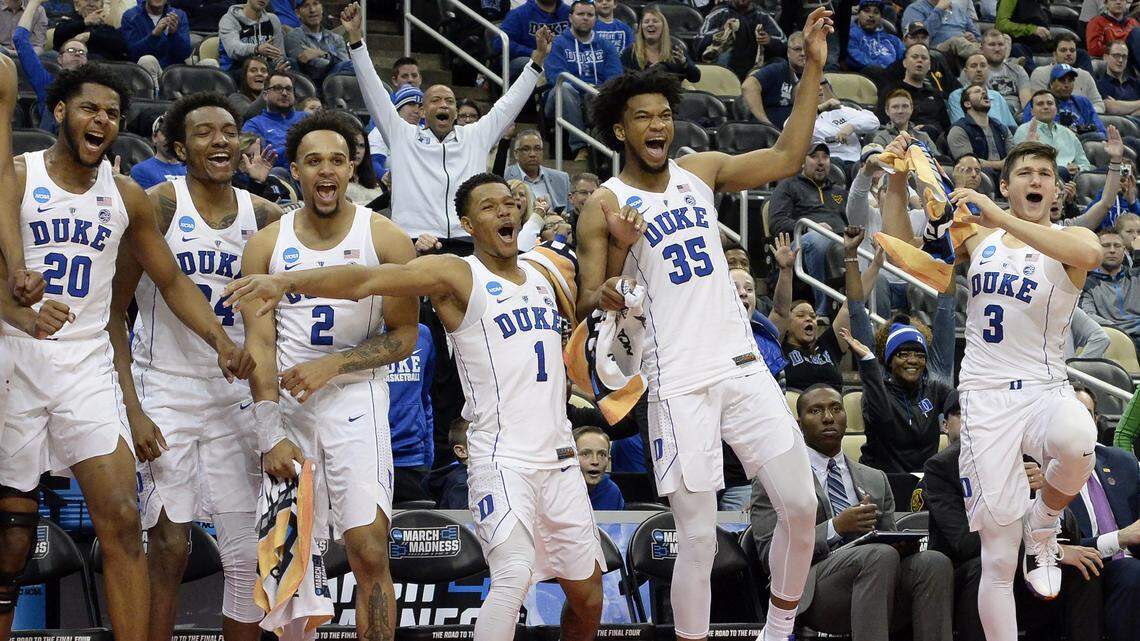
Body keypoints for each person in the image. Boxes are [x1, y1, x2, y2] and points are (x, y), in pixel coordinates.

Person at [225, 169, 608, 641]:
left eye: (508, 202)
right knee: (513, 573)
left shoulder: (548, 268)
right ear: (468, 226)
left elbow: (596, 287)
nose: (503, 210)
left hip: (561, 457)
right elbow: (369, 279)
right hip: (503, 456)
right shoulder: (455, 272)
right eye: (488, 207)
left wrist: (624, 244)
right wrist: (288, 283)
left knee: (589, 594)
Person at [576, 9, 836, 640]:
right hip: (678, 380)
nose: (658, 124)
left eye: (664, 114)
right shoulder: (605, 204)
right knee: (695, 538)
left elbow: (787, 153)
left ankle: (777, 627)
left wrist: (815, 69)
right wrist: (616, 255)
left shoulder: (701, 172)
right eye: (643, 116)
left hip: (742, 367)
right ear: (620, 128)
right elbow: (590, 298)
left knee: (803, 508)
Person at [0, 64, 254, 641]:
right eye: (92, 109)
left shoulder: (127, 196)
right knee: (10, 540)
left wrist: (220, 340)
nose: (104, 121)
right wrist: (16, 306)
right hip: (15, 359)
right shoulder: (17, 175)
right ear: (61, 112)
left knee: (120, 518)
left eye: (113, 114)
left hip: (86, 366)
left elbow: (172, 281)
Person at [881, 133, 1104, 639]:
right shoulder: (976, 239)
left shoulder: (1071, 243)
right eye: (1025, 173)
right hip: (985, 395)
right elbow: (905, 253)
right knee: (998, 557)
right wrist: (896, 179)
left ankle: (1044, 520)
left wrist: (1000, 217)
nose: (1036, 180)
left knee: (1079, 439)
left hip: (1046, 385)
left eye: (1045, 175)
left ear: (1058, 191)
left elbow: (1090, 252)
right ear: (1005, 184)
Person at [228, 109, 421, 641]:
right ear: (296, 170)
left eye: (338, 159)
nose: (326, 170)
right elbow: (260, 347)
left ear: (353, 166)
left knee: (368, 547)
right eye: (314, 161)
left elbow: (404, 336)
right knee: (289, 558)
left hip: (355, 400)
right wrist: (270, 431)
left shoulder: (385, 237)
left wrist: (333, 365)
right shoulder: (266, 245)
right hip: (287, 408)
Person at [107, 90, 282, 641]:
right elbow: (113, 312)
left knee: (242, 555)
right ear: (179, 147)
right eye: (205, 132)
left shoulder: (265, 216)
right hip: (165, 388)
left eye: (229, 130)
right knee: (169, 545)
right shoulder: (160, 204)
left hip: (235, 394)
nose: (221, 140)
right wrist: (132, 408)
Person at [751, 383, 955, 640]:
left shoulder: (875, 479)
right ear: (799, 422)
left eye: (836, 409)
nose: (828, 417)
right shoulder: (776, 477)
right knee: (877, 555)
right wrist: (836, 527)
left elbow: (888, 539)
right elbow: (770, 554)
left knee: (933, 563)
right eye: (816, 411)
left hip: (877, 578)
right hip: (811, 587)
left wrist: (901, 546)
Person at [346, 2, 551, 255]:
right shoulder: (402, 134)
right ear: (421, 111)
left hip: (468, 240)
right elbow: (373, 90)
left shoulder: (475, 135)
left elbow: (509, 103)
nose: (444, 104)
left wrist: (537, 60)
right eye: (435, 100)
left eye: (450, 101)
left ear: (455, 111)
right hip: (413, 240)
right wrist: (356, 40)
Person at [922, 392, 1106, 641]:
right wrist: (1055, 551)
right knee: (988, 565)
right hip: (967, 573)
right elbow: (965, 544)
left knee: (1083, 568)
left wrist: (1046, 494)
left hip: (1022, 566)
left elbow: (1071, 532)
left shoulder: (1028, 455)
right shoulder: (941, 467)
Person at [842, 272, 956, 473]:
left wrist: (948, 262)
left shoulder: (935, 389)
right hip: (883, 484)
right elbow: (857, 311)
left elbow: (947, 310)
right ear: (889, 360)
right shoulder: (877, 388)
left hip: (925, 483)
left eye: (919, 355)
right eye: (903, 354)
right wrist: (850, 256)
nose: (912, 360)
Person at [1066, 389, 1140, 641]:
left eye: (1086, 414)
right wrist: (1119, 538)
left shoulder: (1122, 462)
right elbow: (1057, 548)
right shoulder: (1042, 473)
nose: (1079, 423)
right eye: (1070, 415)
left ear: (1096, 420)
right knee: (1131, 572)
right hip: (1079, 572)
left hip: (1131, 563)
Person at [768, 143, 847, 313]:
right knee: (817, 239)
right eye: (814, 156)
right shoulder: (788, 186)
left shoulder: (839, 192)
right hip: (801, 243)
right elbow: (777, 222)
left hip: (839, 242)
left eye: (825, 157)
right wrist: (809, 228)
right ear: (803, 161)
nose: (821, 162)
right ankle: (822, 310)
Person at [544, 0, 623, 162]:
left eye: (590, 15)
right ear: (571, 17)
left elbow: (615, 76)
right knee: (565, 87)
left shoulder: (605, 45)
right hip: (560, 99)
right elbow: (555, 76)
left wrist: (595, 91)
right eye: (580, 14)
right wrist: (586, 88)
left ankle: (613, 153)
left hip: (596, 97)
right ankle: (580, 147)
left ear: (595, 18)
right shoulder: (558, 43)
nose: (585, 18)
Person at [12, 0, 87, 132]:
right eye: (71, 50)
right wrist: (34, 4)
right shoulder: (47, 84)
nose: (77, 54)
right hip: (51, 145)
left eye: (82, 52)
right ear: (60, 59)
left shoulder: (95, 88)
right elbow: (20, 40)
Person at [388, 323, 436, 503]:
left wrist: (427, 455)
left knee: (415, 526)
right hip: (367, 456)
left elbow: (424, 397)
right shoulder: (360, 334)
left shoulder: (423, 335)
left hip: (412, 458)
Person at [695, 0, 786, 79]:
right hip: (722, 69)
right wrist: (722, 31)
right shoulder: (719, 13)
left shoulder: (763, 16)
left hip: (754, 70)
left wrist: (770, 41)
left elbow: (784, 42)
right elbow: (698, 41)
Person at [1081, 228, 1140, 349]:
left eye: (1117, 246)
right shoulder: (1087, 284)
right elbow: (1088, 315)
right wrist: (1116, 329)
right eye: (1106, 246)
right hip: (1116, 339)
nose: (1112, 250)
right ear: (1097, 250)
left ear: (1124, 251)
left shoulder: (1135, 276)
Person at [880, 44, 951, 141]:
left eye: (924, 58)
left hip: (937, 144)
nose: (920, 60)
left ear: (929, 65)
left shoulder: (935, 95)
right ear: (904, 63)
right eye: (915, 57)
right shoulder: (891, 91)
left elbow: (946, 127)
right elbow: (882, 123)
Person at [1014, 91, 1095, 177]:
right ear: (1032, 111)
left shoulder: (1068, 133)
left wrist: (1078, 168)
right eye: (1040, 104)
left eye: (1049, 103)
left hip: (1072, 179)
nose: (1046, 107)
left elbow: (1085, 164)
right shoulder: (1023, 131)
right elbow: (1019, 164)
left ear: (1056, 110)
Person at [948, 84, 1016, 180]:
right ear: (967, 104)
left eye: (984, 91)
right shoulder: (959, 129)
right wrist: (1000, 165)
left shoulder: (1000, 127)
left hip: (1005, 174)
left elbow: (1013, 156)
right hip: (979, 177)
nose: (984, 92)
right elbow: (967, 163)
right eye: (977, 91)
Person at [619, 4, 701, 83]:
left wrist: (685, 64)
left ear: (663, 27)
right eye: (646, 22)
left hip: (671, 95)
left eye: (655, 21)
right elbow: (622, 81)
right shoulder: (630, 52)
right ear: (641, 28)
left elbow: (695, 78)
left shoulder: (676, 51)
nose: (650, 24)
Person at [241, 70, 305, 169]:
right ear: (265, 95)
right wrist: (298, 145)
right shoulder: (253, 125)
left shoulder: (307, 118)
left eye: (288, 89)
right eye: (277, 88)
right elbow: (257, 162)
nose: (284, 93)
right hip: (278, 177)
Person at [1023, 64, 1107, 139]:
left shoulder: (1083, 102)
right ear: (1051, 84)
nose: (1067, 85)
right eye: (1062, 80)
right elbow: (1028, 131)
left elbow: (1102, 132)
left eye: (1070, 80)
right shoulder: (1038, 102)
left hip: (1083, 147)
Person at [741, 31, 805, 128]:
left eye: (807, 50)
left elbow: (831, 106)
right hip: (770, 134)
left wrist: (818, 70)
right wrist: (766, 123)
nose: (803, 53)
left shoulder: (816, 75)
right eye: (797, 49)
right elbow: (748, 86)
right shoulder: (778, 69)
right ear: (788, 53)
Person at [493, 0, 569, 82]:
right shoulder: (519, 14)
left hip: (561, 57)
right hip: (527, 60)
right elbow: (499, 42)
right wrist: (532, 52)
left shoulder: (570, 13)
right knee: (534, 64)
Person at [811, 83, 880, 173]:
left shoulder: (841, 109)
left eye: (821, 85)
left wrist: (852, 126)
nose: (820, 88)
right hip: (829, 162)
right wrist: (819, 109)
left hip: (855, 161)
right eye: (815, 85)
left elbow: (874, 121)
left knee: (867, 166)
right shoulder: (800, 118)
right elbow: (796, 134)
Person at [1028, 36, 1106, 113]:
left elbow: (1099, 104)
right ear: (1054, 54)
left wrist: (1086, 114)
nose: (1068, 53)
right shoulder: (1040, 73)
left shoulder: (1085, 75)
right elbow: (1038, 105)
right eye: (1063, 50)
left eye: (1072, 50)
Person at [284, 0, 352, 85]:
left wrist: (323, 54)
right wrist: (334, 61)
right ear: (298, 13)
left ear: (322, 9)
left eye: (315, 4)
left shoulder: (336, 38)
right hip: (310, 87)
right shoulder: (293, 37)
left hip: (338, 85)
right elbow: (314, 68)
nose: (312, 10)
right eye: (306, 6)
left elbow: (345, 64)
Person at [504, 129, 571, 214]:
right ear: (516, 153)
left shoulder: (561, 179)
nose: (532, 154)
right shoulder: (504, 177)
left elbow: (570, 213)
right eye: (526, 149)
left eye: (537, 149)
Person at [946, 54, 1018, 128]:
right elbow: (960, 127)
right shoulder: (957, 96)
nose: (978, 70)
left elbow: (1012, 127)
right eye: (973, 66)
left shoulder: (997, 96)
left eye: (983, 65)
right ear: (965, 72)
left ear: (988, 70)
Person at [119, 0, 192, 70]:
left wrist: (174, 35)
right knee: (147, 61)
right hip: (143, 73)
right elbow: (132, 54)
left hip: (171, 73)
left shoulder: (179, 15)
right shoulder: (130, 16)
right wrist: (154, 35)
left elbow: (185, 55)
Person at [218, 0, 285, 74]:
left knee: (291, 64)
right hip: (237, 69)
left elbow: (279, 54)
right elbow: (233, 49)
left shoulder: (273, 20)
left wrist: (280, 66)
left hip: (266, 68)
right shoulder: (229, 19)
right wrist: (256, 49)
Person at [901, 0, 982, 60]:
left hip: (963, 48)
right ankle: (988, 55)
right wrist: (939, 10)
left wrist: (972, 37)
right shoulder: (915, 9)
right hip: (935, 49)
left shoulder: (958, 9)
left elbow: (978, 37)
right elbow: (920, 37)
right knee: (956, 41)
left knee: (990, 37)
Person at [51, 0, 130, 61]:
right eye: (87, 0)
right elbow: (58, 37)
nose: (91, 4)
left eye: (96, 0)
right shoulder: (69, 21)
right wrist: (85, 22)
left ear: (101, 6)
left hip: (99, 67)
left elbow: (121, 46)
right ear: (76, 5)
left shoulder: (107, 25)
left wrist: (89, 36)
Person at [575, 425, 625, 510]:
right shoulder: (555, 492)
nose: (595, 461)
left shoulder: (612, 492)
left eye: (602, 455)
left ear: (609, 460)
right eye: (585, 454)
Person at [129, 115, 187, 190]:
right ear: (154, 137)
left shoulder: (193, 169)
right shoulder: (141, 171)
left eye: (175, 133)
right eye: (166, 133)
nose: (171, 138)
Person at [980, 27, 1032, 111]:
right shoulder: (976, 72)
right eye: (992, 45)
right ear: (981, 49)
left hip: (1017, 117)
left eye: (1000, 44)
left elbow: (1026, 104)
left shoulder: (1018, 70)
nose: (997, 49)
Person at [871, 88, 939, 152]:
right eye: (895, 107)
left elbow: (938, 160)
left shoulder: (924, 137)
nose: (900, 111)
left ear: (911, 109)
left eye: (905, 106)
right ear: (887, 111)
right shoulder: (880, 138)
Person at [846, 0, 905, 72]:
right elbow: (854, 59)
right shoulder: (851, 35)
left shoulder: (893, 40)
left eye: (876, 12)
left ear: (881, 17)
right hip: (864, 78)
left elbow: (905, 61)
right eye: (866, 11)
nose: (871, 15)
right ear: (858, 14)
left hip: (893, 77)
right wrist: (884, 69)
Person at [1098, 40, 1140, 116]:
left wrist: (1122, 107)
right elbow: (1111, 108)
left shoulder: (1135, 83)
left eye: (1124, 56)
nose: (1120, 60)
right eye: (1116, 56)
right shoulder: (1100, 84)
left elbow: (1117, 108)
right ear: (1106, 57)